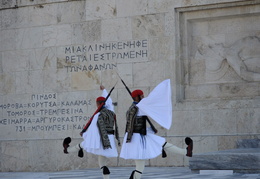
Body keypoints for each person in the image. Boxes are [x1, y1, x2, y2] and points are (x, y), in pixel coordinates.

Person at [120, 88, 193, 179]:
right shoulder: (139, 108)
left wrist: (150, 129)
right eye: (142, 96)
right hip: (137, 139)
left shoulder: (133, 108)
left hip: (138, 137)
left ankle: (186, 152)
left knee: (161, 143)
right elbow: (153, 107)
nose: (144, 97)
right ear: (137, 97)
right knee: (139, 167)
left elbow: (137, 124)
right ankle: (186, 152)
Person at [63, 85, 120, 179]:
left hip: (102, 139)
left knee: (85, 144)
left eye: (97, 103)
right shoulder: (111, 112)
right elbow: (109, 102)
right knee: (103, 163)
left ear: (98, 104)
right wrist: (104, 90)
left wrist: (84, 133)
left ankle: (67, 150)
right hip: (110, 139)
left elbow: (94, 129)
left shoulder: (98, 115)